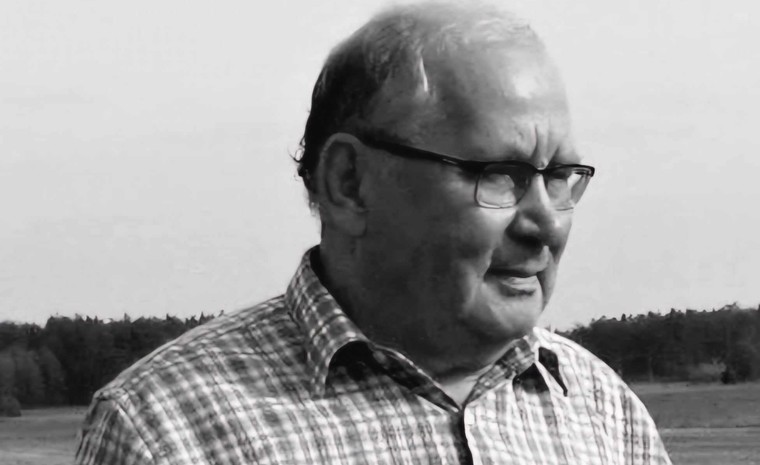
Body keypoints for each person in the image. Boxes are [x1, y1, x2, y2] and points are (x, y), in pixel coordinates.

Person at [75, 2, 672, 464]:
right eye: (499, 175)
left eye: (560, 176)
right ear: (350, 185)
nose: (546, 223)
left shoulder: (601, 411)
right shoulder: (166, 430)